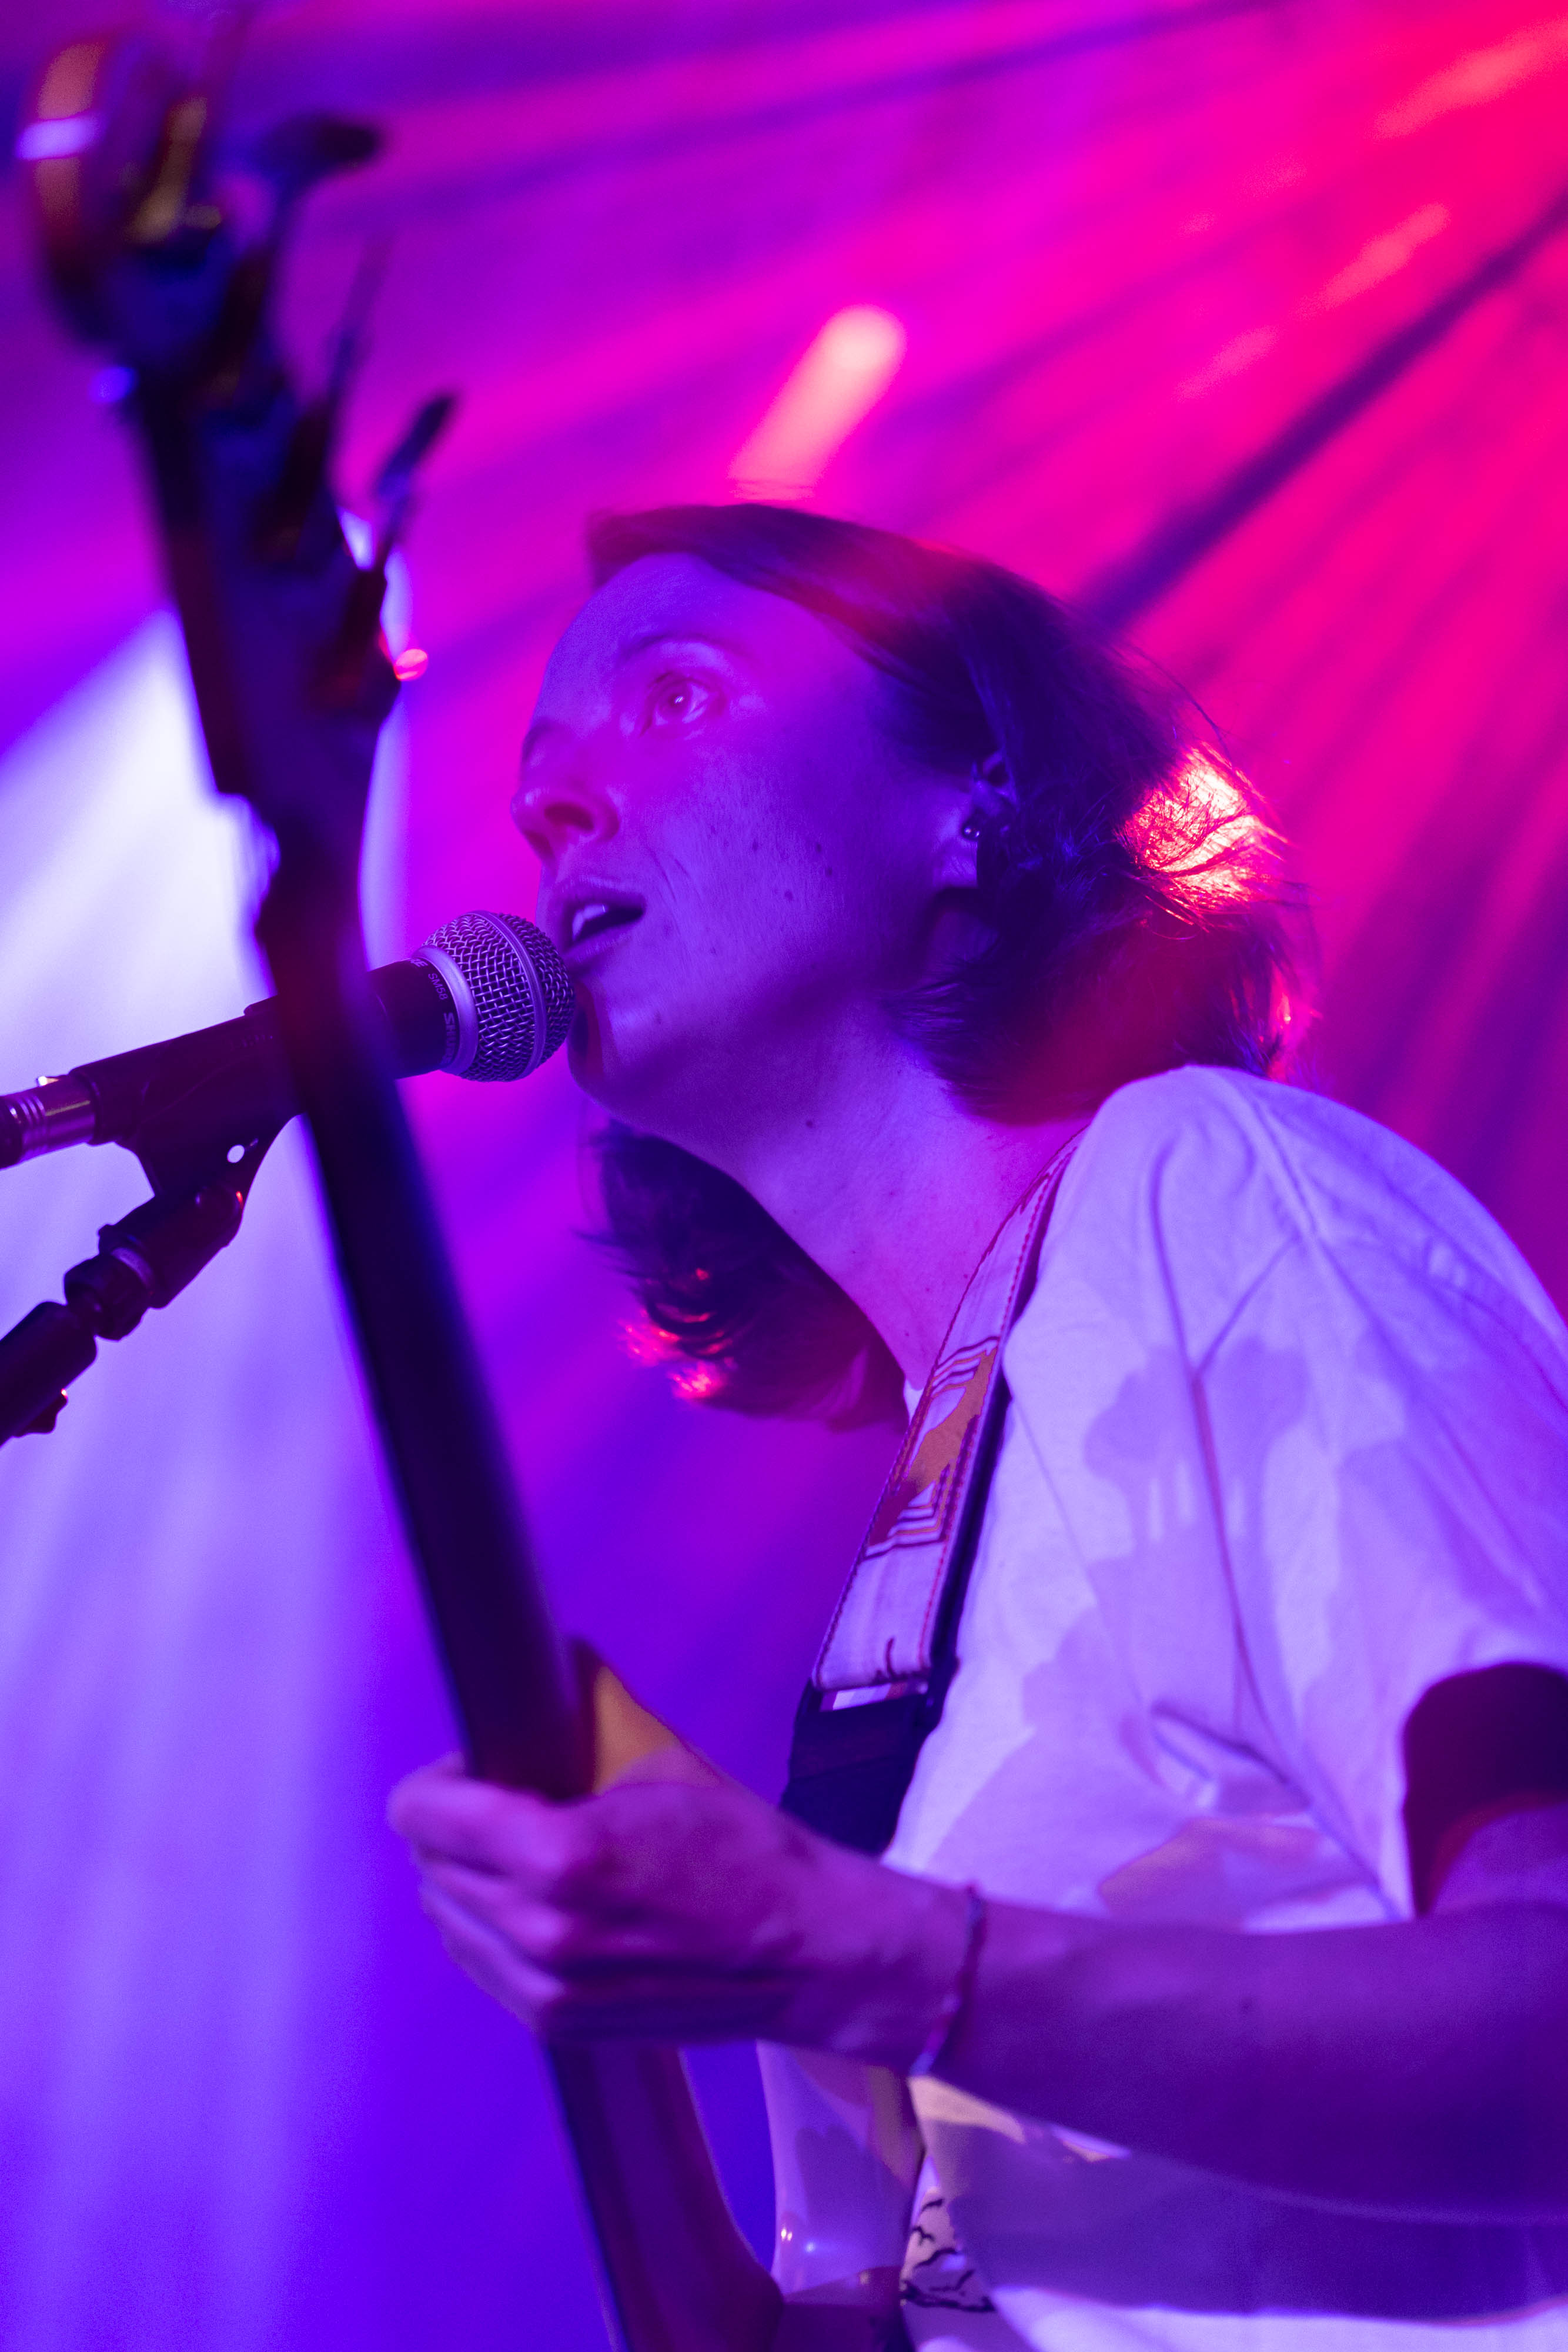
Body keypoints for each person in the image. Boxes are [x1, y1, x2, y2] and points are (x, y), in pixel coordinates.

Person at [388, 504, 1568, 2351]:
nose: (551, 805)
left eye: (675, 697)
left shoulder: (1208, 1192)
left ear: (971, 803)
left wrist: (862, 1959)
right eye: (537, 777)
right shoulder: (921, 1555)